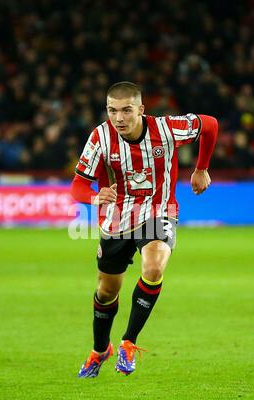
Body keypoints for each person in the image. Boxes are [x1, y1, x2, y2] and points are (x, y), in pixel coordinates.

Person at [71, 81, 218, 378]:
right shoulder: (100, 137)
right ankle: (101, 349)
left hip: (158, 212)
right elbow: (78, 185)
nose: (119, 118)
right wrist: (93, 197)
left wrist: (201, 167)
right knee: (106, 290)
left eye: (126, 110)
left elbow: (210, 125)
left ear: (141, 109)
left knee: (153, 268)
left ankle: (128, 342)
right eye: (112, 110)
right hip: (116, 220)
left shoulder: (167, 129)